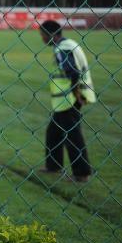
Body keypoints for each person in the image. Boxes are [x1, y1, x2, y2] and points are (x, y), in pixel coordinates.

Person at [37, 19, 95, 182]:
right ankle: (53, 166)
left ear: (51, 35)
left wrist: (76, 94)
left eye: (43, 35)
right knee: (53, 132)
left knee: (72, 135)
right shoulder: (70, 44)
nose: (42, 39)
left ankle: (81, 173)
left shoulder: (62, 49)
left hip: (69, 98)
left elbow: (73, 71)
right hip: (66, 99)